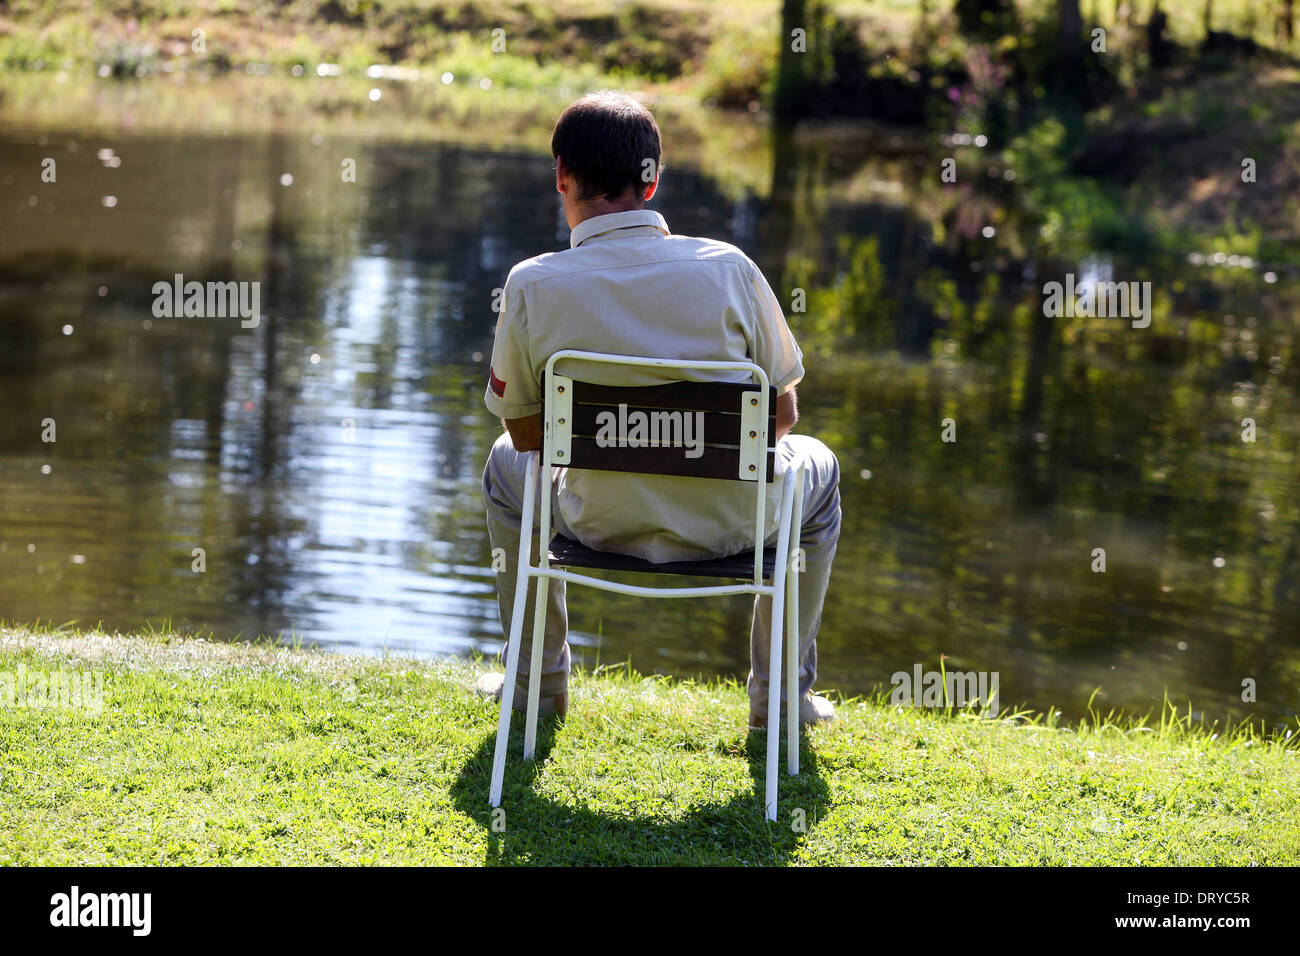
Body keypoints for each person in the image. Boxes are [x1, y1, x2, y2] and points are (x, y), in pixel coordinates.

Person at [477, 91, 841, 730]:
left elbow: (526, 432)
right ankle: (781, 701)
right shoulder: (731, 269)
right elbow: (781, 418)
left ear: (561, 175)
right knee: (822, 472)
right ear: (652, 181)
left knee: (504, 469)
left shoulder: (532, 283)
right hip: (734, 526)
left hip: (594, 521)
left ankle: (535, 684)